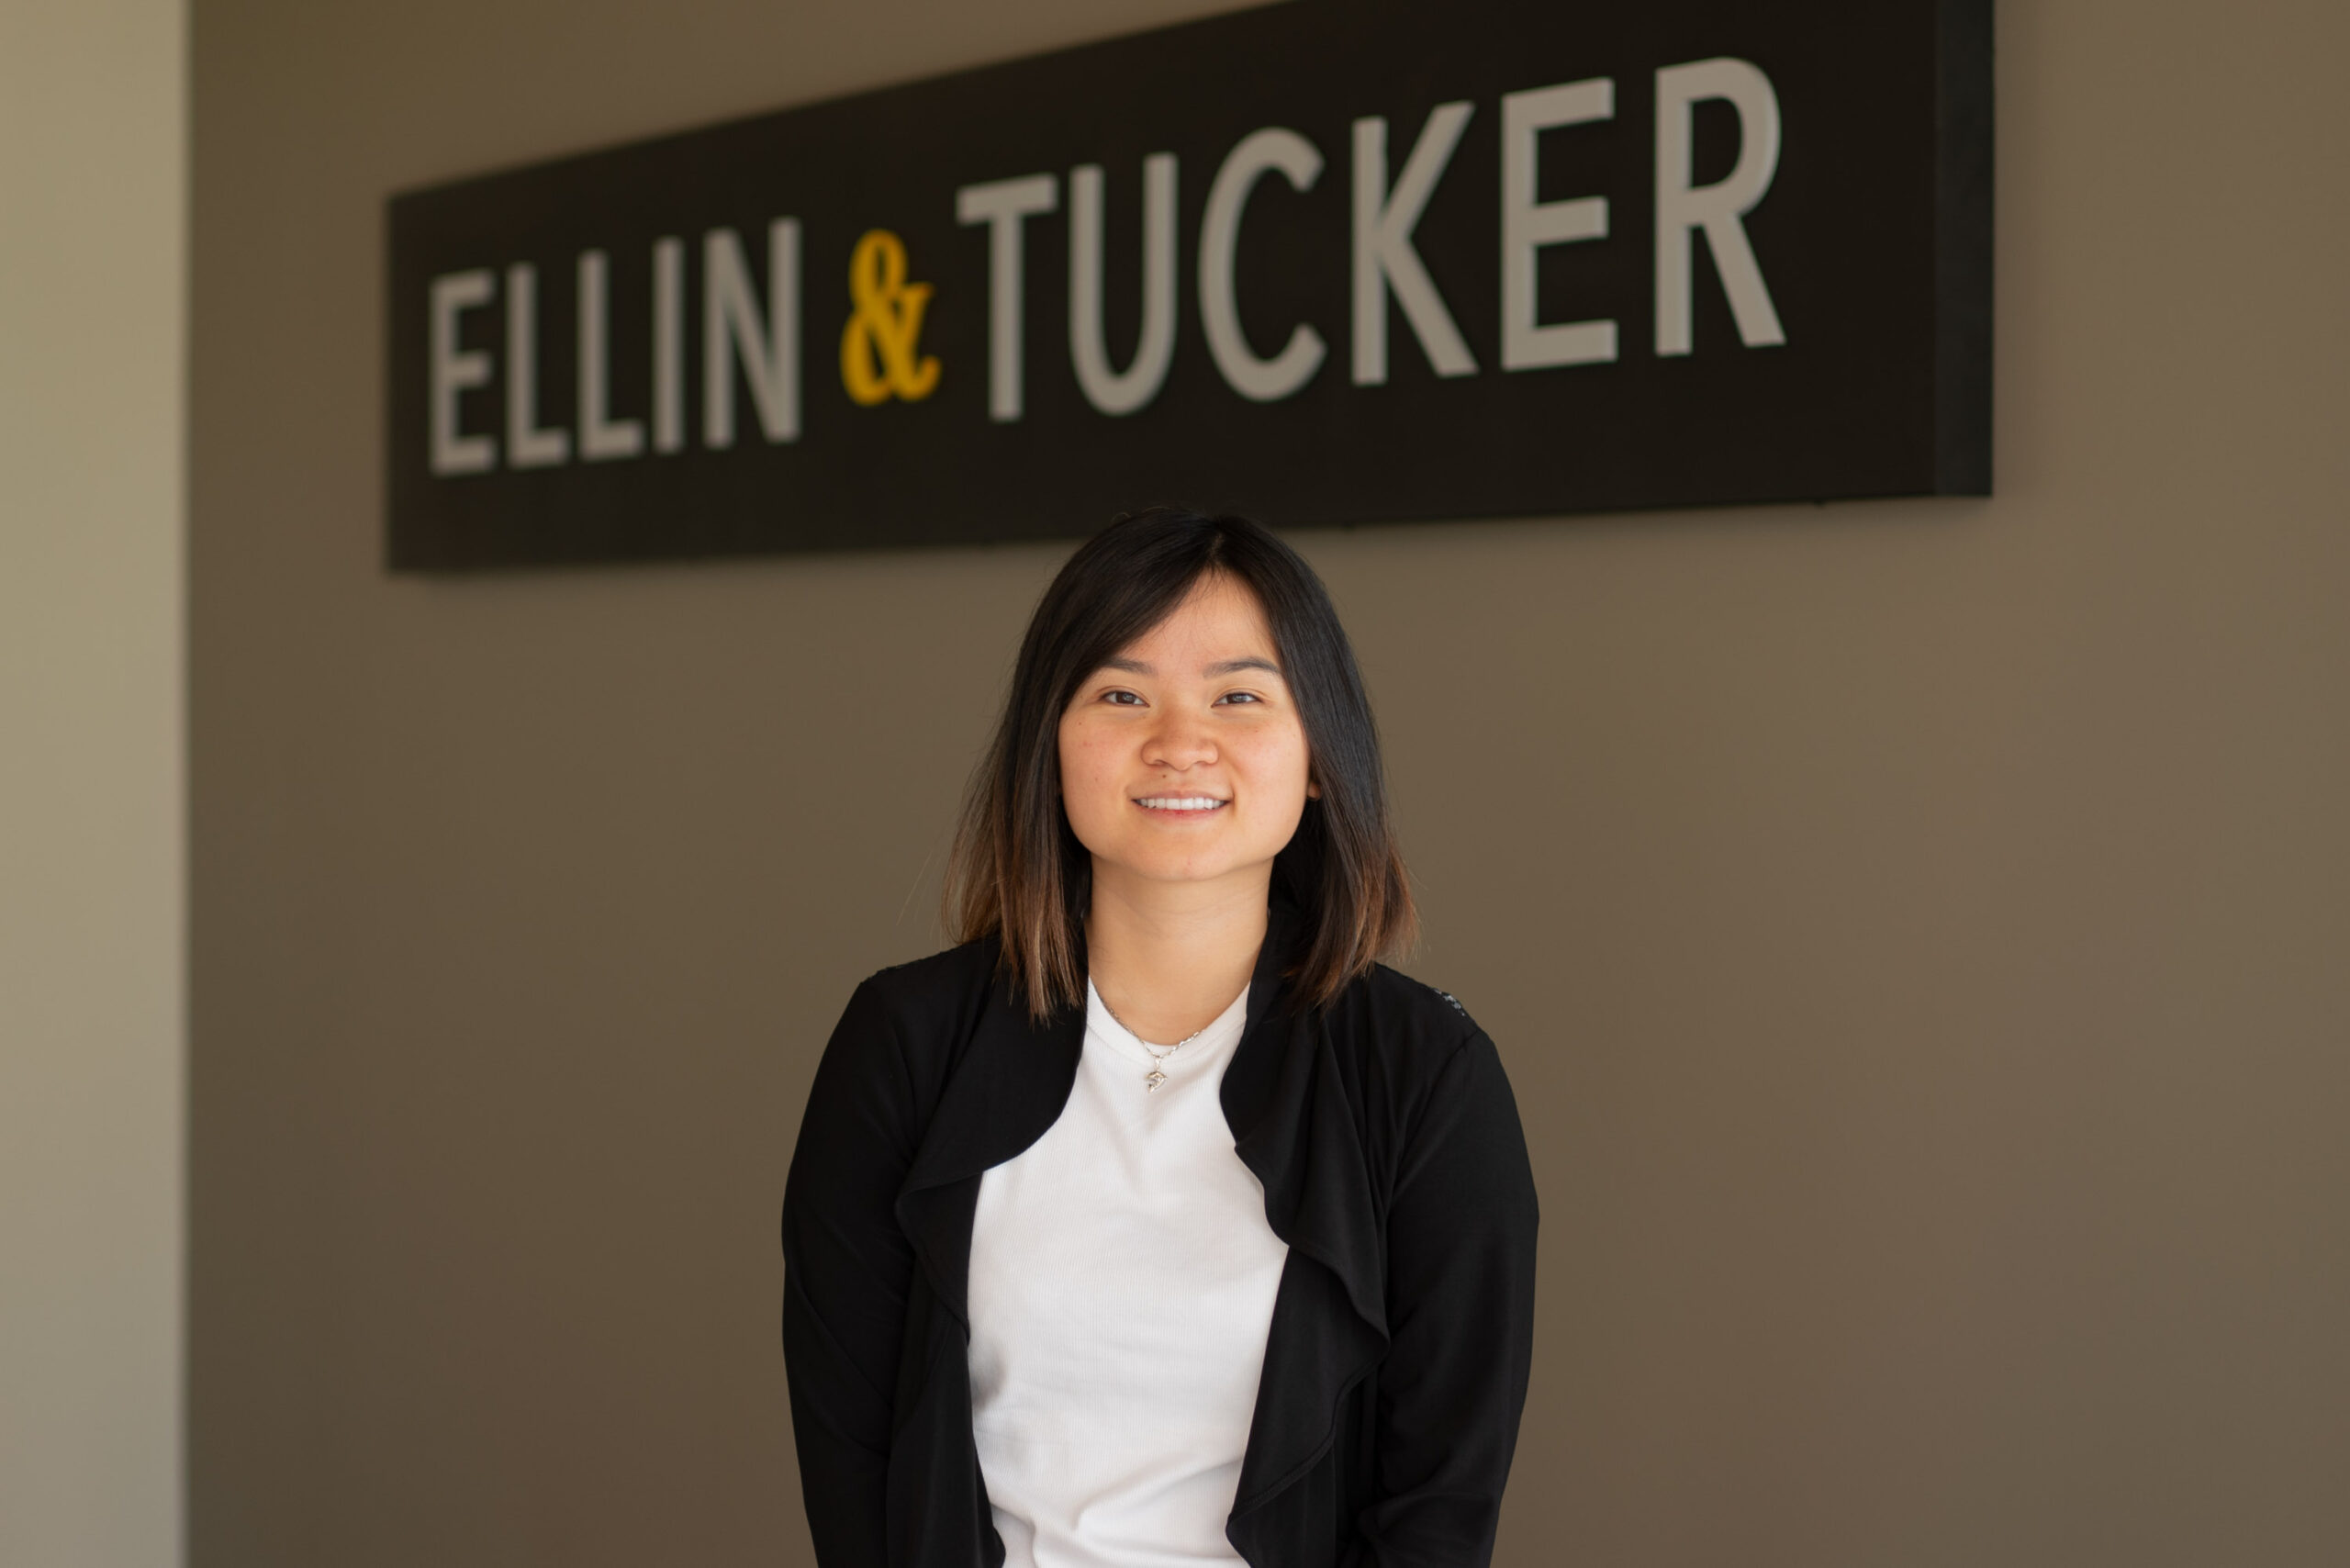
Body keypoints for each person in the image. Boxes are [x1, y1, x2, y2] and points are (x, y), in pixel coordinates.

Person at [781, 508, 1539, 1568]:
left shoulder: (1424, 1082)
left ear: (1319, 754)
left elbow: (1438, 1508)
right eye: (1121, 694)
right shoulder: (903, 1047)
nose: (1180, 742)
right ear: (1051, 745)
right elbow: (853, 1461)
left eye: (1238, 696)